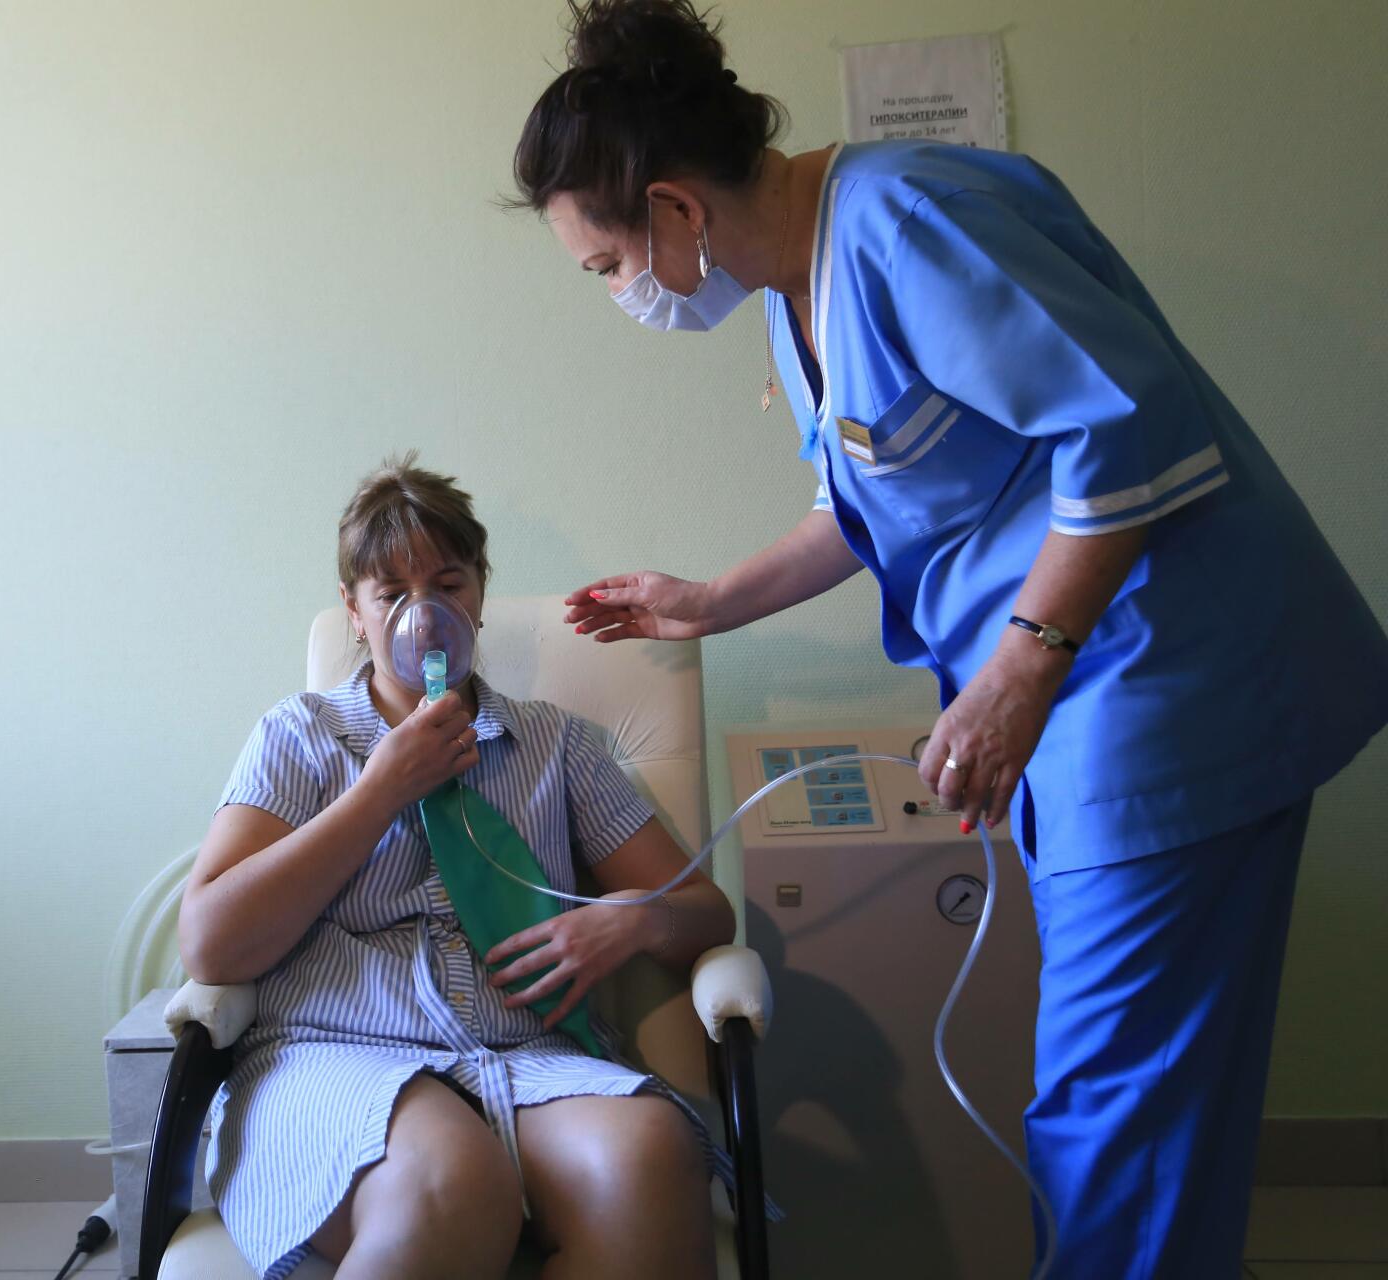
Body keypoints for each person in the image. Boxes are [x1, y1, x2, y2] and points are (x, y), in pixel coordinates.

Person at [507, 2, 1388, 1275]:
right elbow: (868, 499)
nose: (619, 294)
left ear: (676, 208)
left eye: (606, 264)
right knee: (1147, 1119)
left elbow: (1125, 427)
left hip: (1166, 688)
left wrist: (1020, 666)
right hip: (1097, 701)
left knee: (1110, 1129)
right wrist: (709, 600)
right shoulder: (794, 288)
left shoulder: (909, 222)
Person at [177, 453, 737, 1280]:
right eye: (392, 595)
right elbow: (211, 943)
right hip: (336, 1058)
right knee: (451, 1177)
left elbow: (707, 911)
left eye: (447, 584)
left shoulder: (557, 747)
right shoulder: (300, 737)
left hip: (527, 1059)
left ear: (479, 595)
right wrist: (380, 791)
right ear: (354, 612)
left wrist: (632, 920)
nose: (425, 616)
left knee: (650, 1154)